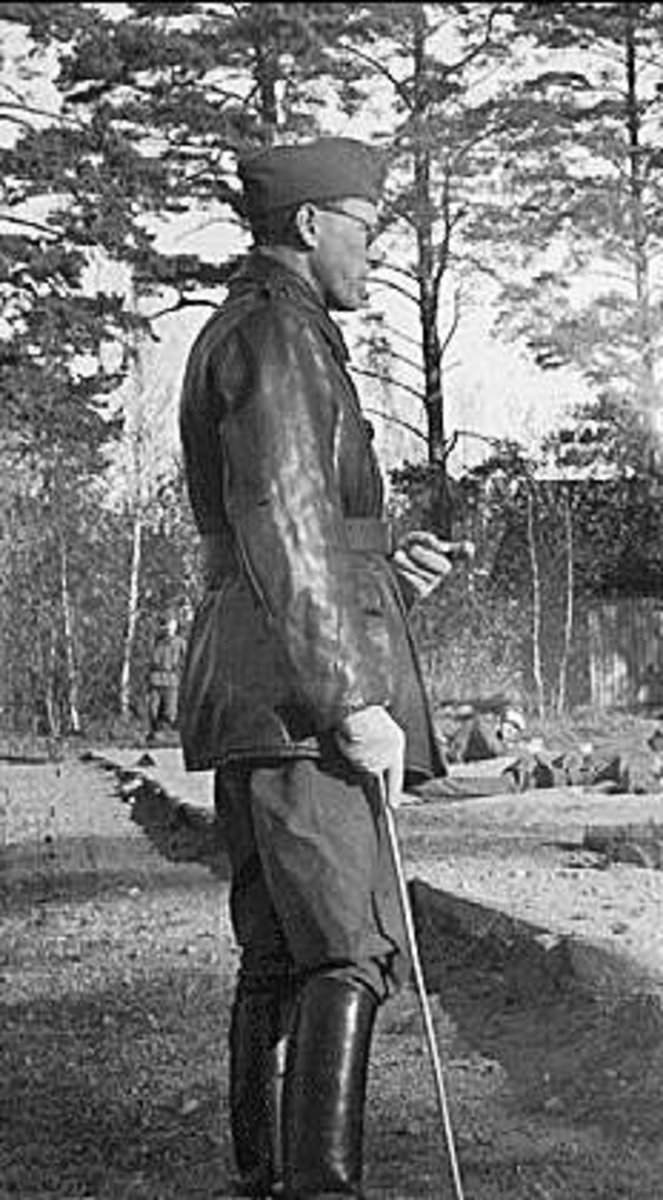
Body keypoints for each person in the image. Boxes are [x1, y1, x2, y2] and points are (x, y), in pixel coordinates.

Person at [177, 136, 461, 1199]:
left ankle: (264, 1180)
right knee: (347, 949)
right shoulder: (281, 335)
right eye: (366, 230)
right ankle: (318, 1189)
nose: (373, 254)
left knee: (279, 953)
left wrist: (385, 568)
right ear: (308, 225)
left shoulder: (254, 328)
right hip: (300, 707)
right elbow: (285, 529)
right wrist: (350, 701)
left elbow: (293, 533)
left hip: (260, 692)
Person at [146, 608, 186, 742]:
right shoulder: (157, 641)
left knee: (170, 712)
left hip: (171, 680)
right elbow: (151, 660)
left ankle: (168, 735)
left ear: (176, 626)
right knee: (153, 710)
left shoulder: (180, 642)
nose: (169, 627)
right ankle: (155, 735)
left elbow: (188, 658)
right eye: (167, 624)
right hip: (155, 680)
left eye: (172, 624)